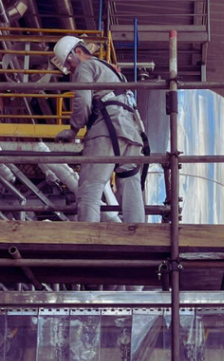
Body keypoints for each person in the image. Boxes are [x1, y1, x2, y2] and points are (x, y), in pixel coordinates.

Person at [51, 36, 146, 224]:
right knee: (130, 187)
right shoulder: (112, 71)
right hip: (131, 135)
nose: (69, 69)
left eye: (68, 63)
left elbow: (83, 101)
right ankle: (139, 239)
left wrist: (73, 130)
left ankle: (88, 242)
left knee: (89, 189)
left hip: (106, 132)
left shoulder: (85, 68)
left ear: (77, 52)